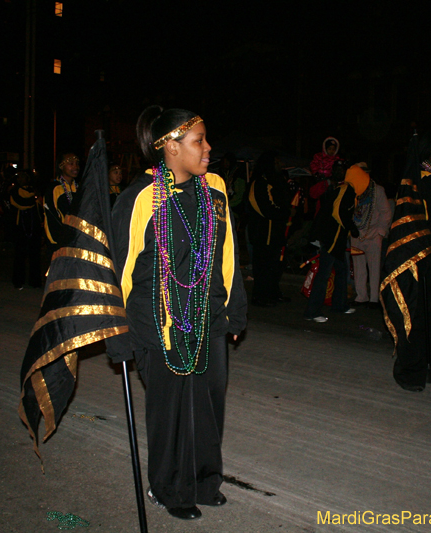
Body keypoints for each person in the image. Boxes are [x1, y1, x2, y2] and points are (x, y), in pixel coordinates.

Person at [106, 106, 247, 520]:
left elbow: (230, 258)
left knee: (207, 406)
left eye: (205, 139)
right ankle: (170, 488)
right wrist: (119, 335)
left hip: (209, 319)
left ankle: (205, 481)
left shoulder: (217, 190)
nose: (207, 148)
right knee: (170, 412)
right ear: (169, 146)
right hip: (158, 324)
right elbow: (121, 270)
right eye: (198, 141)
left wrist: (234, 314)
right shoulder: (140, 198)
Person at [381, 133, 431, 391]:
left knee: (430, 317)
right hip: (417, 260)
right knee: (414, 316)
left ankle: (427, 367)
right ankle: (410, 371)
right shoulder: (423, 182)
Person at [303, 161, 358, 322]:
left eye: (342, 169)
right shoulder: (340, 188)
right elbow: (337, 212)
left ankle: (339, 305)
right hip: (331, 236)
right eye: (337, 169)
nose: (340, 172)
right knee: (324, 273)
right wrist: (351, 227)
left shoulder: (344, 188)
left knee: (341, 270)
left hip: (337, 236)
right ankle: (311, 311)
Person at [248, 151, 290, 307]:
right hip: (263, 234)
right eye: (277, 162)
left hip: (276, 233)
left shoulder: (277, 181)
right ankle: (259, 295)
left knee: (276, 266)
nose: (280, 165)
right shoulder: (259, 183)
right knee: (263, 266)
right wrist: (285, 213)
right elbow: (265, 209)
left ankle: (272, 293)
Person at [349, 163, 391, 309]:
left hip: (373, 234)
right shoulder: (352, 190)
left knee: (374, 267)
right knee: (358, 266)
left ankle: (374, 298)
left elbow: (385, 212)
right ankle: (361, 296)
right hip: (356, 233)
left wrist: (380, 232)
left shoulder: (377, 191)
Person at [9, 171, 42, 289]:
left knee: (35, 255)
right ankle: (18, 281)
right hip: (21, 227)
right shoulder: (14, 191)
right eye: (19, 177)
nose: (21, 179)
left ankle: (35, 281)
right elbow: (21, 203)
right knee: (20, 255)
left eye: (23, 177)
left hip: (34, 226)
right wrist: (34, 199)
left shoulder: (34, 191)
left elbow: (39, 207)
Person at [44, 152, 79, 253]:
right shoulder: (54, 188)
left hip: (77, 241)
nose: (75, 167)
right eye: (71, 163)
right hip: (60, 242)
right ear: (61, 166)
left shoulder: (79, 188)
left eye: (77, 163)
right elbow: (51, 216)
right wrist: (58, 240)